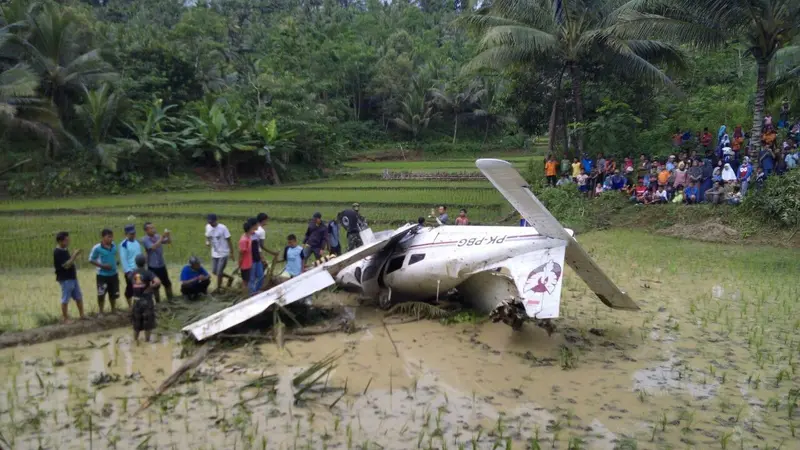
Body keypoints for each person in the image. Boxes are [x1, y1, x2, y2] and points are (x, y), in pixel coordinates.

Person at [129, 254, 160, 344]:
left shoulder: (132, 273)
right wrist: (151, 287)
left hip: (136, 300)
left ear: (136, 263)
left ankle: (135, 340)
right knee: (148, 323)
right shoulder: (148, 273)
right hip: (147, 300)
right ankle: (147, 341)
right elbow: (158, 282)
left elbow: (130, 280)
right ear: (145, 262)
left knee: (136, 323)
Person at [54, 231, 84, 323]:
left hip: (72, 277)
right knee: (65, 298)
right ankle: (65, 318)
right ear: (60, 241)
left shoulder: (65, 249)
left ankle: (82, 315)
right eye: (66, 240)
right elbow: (66, 265)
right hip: (65, 278)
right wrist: (74, 255)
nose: (68, 241)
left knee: (78, 296)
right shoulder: (58, 252)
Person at [89, 229, 119, 314]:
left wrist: (115, 262)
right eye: (109, 237)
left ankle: (113, 310)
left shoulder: (113, 246)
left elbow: (113, 256)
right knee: (101, 294)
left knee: (113, 293)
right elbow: (91, 260)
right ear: (103, 237)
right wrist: (103, 266)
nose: (111, 239)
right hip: (102, 275)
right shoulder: (97, 248)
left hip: (113, 274)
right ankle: (101, 312)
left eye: (112, 237)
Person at [142, 222, 172, 302]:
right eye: (151, 228)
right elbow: (153, 247)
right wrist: (162, 238)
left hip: (161, 264)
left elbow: (168, 241)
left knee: (167, 284)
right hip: (152, 266)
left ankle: (171, 300)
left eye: (153, 227)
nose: (153, 229)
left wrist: (168, 235)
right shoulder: (145, 239)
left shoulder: (157, 236)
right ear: (146, 230)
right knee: (155, 286)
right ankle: (158, 302)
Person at [205, 214, 234, 291]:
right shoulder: (208, 227)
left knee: (219, 272)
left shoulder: (223, 228)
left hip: (224, 253)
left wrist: (231, 253)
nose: (210, 223)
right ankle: (230, 278)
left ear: (215, 220)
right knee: (215, 271)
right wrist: (207, 241)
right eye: (209, 222)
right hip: (214, 252)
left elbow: (229, 240)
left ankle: (218, 288)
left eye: (212, 222)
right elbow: (207, 236)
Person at [119, 224, 142, 308]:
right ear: (126, 234)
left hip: (138, 270)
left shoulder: (136, 242)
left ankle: (136, 305)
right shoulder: (124, 245)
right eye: (131, 234)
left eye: (134, 233)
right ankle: (130, 306)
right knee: (131, 289)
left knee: (138, 288)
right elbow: (123, 259)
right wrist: (128, 272)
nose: (133, 235)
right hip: (131, 271)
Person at [238, 219, 257, 295]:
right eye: (252, 229)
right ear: (249, 230)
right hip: (244, 265)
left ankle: (247, 294)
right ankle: (245, 296)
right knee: (245, 282)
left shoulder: (248, 237)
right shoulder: (244, 240)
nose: (254, 230)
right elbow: (241, 254)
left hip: (249, 263)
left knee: (248, 281)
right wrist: (239, 265)